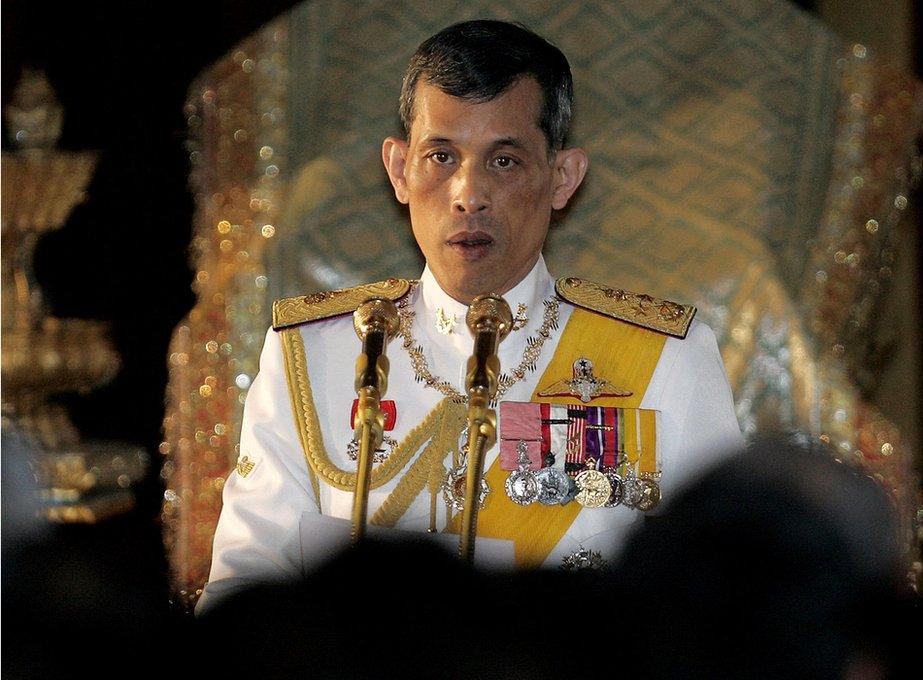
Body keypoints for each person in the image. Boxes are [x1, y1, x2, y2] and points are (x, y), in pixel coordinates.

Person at [198, 19, 743, 614]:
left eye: (504, 161)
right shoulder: (315, 355)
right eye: (441, 156)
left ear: (562, 178)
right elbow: (243, 599)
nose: (467, 194)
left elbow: (717, 611)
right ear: (399, 169)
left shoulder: (664, 357)